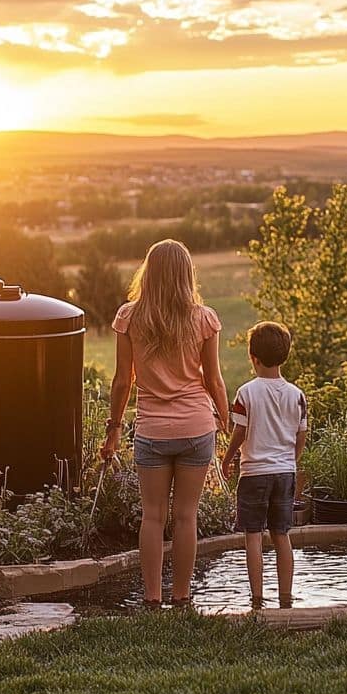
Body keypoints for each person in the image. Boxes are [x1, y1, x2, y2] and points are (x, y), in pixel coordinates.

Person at [101, 239, 229, 607]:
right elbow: (214, 380)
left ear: (149, 272)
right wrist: (225, 421)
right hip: (196, 428)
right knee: (186, 517)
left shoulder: (129, 317)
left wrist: (112, 431)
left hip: (152, 431)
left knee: (153, 517)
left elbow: (122, 381)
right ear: (187, 274)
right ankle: (182, 597)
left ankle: (153, 598)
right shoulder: (204, 318)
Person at [221, 321, 307, 608]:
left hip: (254, 474)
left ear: (253, 357)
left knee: (254, 536)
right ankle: (286, 597)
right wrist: (291, 461)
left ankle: (257, 598)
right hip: (284, 473)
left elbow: (240, 431)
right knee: (282, 535)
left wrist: (228, 457)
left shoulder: (246, 393)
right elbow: (301, 435)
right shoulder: (297, 395)